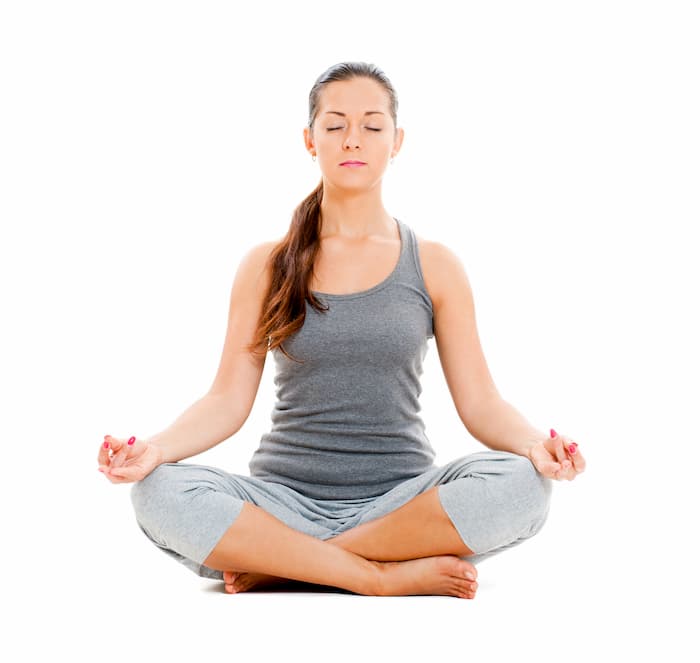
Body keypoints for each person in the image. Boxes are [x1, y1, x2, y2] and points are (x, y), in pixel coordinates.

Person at [97, 61, 586, 599]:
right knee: (158, 491)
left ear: (397, 141)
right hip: (282, 503)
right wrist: (155, 450)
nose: (353, 139)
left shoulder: (435, 265)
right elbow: (226, 401)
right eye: (335, 125)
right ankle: (374, 573)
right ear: (310, 140)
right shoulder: (266, 265)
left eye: (372, 126)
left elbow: (481, 403)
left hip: (402, 505)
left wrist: (536, 446)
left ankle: (287, 564)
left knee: (523, 485)